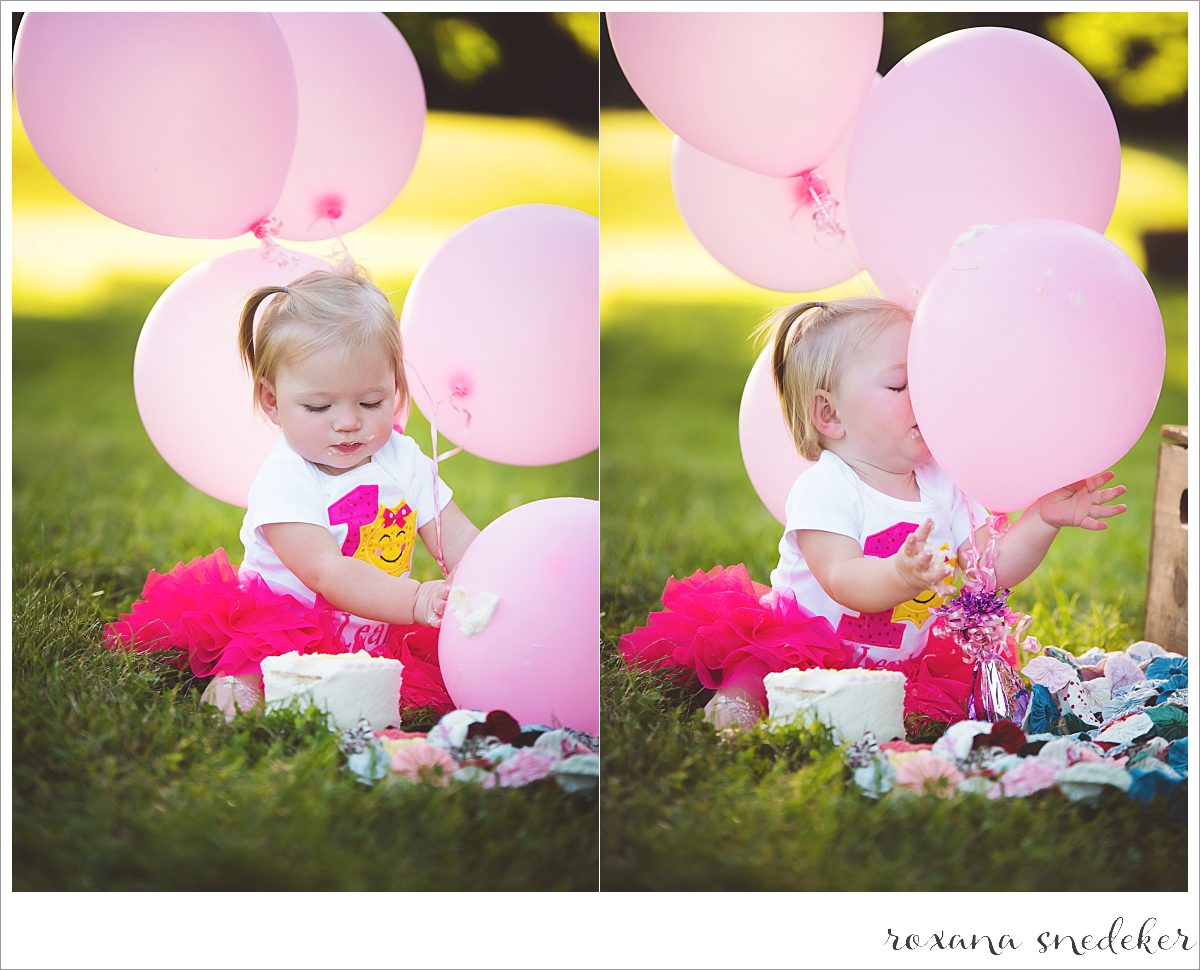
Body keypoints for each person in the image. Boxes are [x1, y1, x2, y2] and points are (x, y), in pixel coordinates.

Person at [620, 298, 1127, 734]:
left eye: (927, 383)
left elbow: (988, 573)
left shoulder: (942, 482)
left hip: (901, 657)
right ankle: (737, 702)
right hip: (810, 642)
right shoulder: (826, 487)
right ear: (830, 415)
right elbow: (842, 579)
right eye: (900, 386)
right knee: (762, 662)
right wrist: (898, 574)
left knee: (921, 703)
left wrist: (1041, 520)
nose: (923, 398)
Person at [104, 264, 480, 720]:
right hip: (286, 622)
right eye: (319, 406)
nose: (348, 421)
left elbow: (455, 536)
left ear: (395, 388)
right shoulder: (286, 479)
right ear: (271, 401)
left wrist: (487, 574)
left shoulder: (404, 459)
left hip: (379, 625)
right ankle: (229, 705)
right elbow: (327, 572)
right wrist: (417, 600)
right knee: (258, 670)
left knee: (436, 676)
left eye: (371, 402)